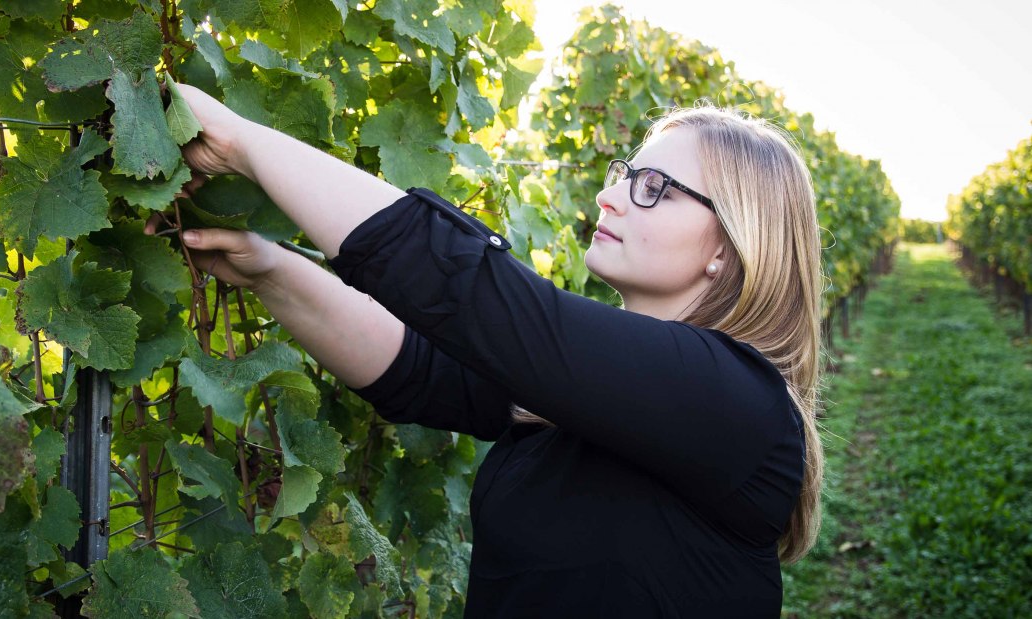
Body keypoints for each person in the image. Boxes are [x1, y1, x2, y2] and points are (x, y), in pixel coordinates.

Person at [154, 83, 825, 617]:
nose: (608, 197)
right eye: (623, 175)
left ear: (729, 244)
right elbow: (416, 369)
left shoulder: (737, 403)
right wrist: (269, 271)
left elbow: (476, 296)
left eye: (653, 188)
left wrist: (243, 143)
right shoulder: (586, 398)